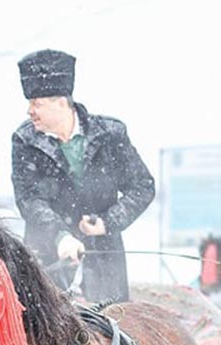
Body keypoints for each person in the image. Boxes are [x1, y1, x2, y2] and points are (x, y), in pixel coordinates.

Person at [10, 49, 155, 303]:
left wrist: (107, 222)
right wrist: (60, 235)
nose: (29, 111)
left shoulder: (110, 135)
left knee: (111, 334)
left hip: (104, 267)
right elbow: (29, 199)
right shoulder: (25, 141)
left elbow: (142, 186)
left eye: (36, 103)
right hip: (46, 267)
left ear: (61, 102)